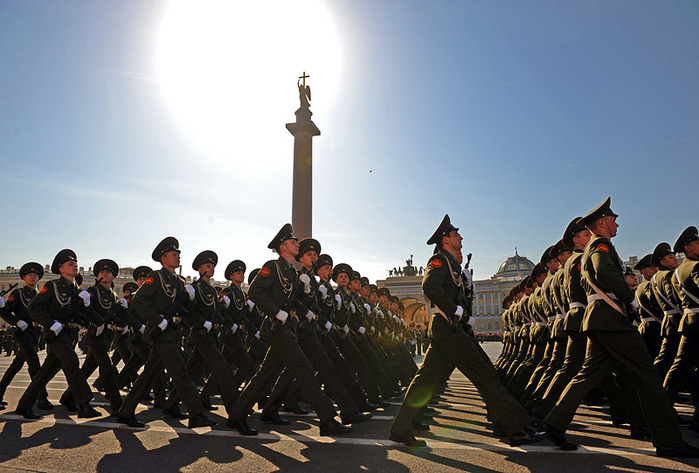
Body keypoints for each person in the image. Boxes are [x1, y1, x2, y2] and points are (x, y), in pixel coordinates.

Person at [542, 197, 699, 457]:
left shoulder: (595, 246)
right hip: (611, 319)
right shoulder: (601, 245)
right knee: (647, 376)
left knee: (588, 374)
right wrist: (628, 297)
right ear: (602, 223)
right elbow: (604, 271)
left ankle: (553, 422)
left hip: (599, 318)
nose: (617, 224)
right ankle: (668, 439)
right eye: (614, 220)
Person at [389, 214, 545, 448]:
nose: (460, 237)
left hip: (450, 330)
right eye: (456, 234)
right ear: (446, 239)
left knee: (427, 379)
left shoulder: (452, 265)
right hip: (449, 329)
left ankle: (401, 428)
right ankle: (516, 428)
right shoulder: (439, 262)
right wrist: (457, 312)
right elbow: (429, 287)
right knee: (485, 374)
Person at [227, 224, 352, 437]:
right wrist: (277, 313)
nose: (297, 245)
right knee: (305, 372)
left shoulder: (293, 273)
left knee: (264, 375)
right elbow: (256, 292)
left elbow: (295, 303)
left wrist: (304, 294)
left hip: (288, 329)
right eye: (293, 242)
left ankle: (237, 416)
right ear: (283, 246)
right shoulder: (272, 266)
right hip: (278, 329)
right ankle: (327, 419)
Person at [116, 237, 215, 429]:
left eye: (178, 254)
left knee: (149, 374)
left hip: (172, 331)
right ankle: (196, 413)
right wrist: (157, 319)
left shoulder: (179, 281)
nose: (178, 257)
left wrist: (192, 298)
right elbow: (139, 301)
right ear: (163, 259)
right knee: (180, 371)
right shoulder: (157, 277)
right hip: (161, 333)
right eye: (173, 254)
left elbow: (185, 309)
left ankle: (125, 412)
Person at [15, 249, 100, 419]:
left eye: (76, 263)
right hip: (57, 334)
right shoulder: (53, 286)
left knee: (46, 371)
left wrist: (86, 304)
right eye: (71, 264)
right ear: (61, 269)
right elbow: (34, 307)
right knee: (72, 362)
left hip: (70, 334)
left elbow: (82, 316)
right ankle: (84, 405)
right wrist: (50, 323)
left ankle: (24, 406)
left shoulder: (76, 289)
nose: (75, 266)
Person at [0, 263, 52, 410]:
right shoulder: (18, 294)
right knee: (35, 364)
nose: (33, 277)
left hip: (35, 334)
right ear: (24, 278)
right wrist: (16, 321)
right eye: (30, 275)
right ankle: (42, 398)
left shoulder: (39, 295)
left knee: (15, 366)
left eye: (35, 275)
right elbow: (5, 312)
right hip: (22, 334)